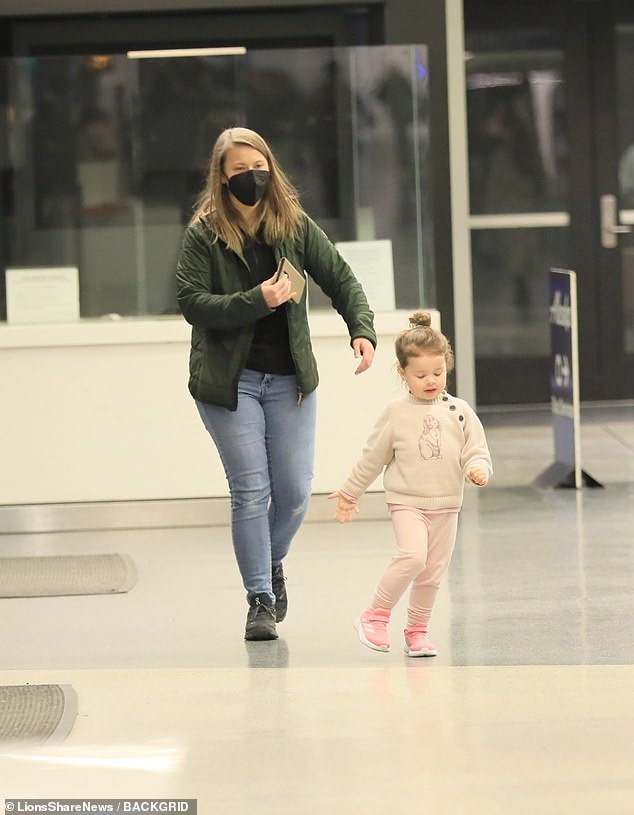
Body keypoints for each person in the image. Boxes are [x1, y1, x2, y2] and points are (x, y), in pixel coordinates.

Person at [176, 126, 377, 642]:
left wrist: (362, 329)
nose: (252, 177)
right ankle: (260, 599)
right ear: (222, 177)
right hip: (230, 382)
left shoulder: (293, 224)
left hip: (289, 381)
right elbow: (192, 304)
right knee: (250, 491)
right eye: (240, 170)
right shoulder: (205, 233)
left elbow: (341, 278)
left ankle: (272, 559)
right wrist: (255, 300)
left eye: (258, 166)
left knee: (292, 495)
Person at [328, 311, 492, 657]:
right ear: (402, 373)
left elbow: (476, 450)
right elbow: (374, 456)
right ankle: (374, 615)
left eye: (437, 372)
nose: (430, 380)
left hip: (447, 504)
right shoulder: (396, 413)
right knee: (413, 556)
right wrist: (350, 492)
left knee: (432, 574)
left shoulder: (459, 411)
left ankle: (417, 631)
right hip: (407, 502)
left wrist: (478, 468)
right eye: (420, 375)